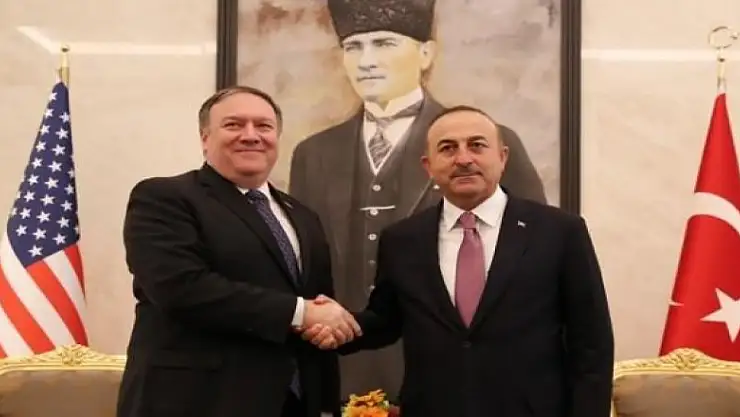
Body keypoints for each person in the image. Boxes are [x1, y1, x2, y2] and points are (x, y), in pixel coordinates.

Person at [289, 0, 547, 401]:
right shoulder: (314, 153)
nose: (366, 61)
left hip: (452, 369)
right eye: (354, 47)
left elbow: (536, 264)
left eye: (384, 43)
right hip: (345, 362)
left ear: (426, 53)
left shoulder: (490, 145)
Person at [302, 105, 615, 417]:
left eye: (476, 145)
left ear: (502, 157)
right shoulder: (402, 240)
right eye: (448, 148)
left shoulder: (559, 231)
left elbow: (592, 342)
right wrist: (338, 326)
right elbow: (385, 321)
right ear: (428, 166)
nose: (463, 159)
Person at [116, 86, 361, 417]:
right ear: (205, 138)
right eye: (234, 125)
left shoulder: (303, 216)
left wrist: (326, 329)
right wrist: (302, 313)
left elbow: (317, 304)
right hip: (197, 401)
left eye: (263, 126)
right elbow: (180, 288)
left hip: (294, 402)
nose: (251, 135)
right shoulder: (164, 197)